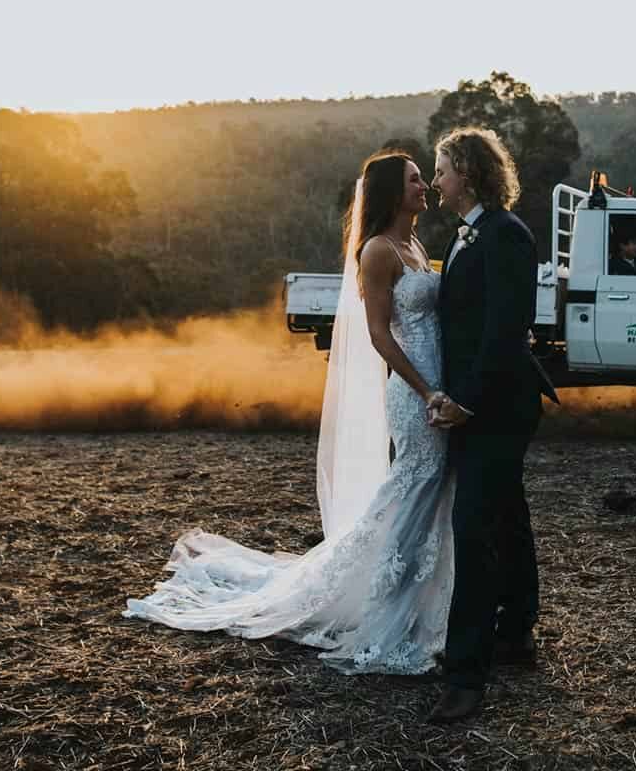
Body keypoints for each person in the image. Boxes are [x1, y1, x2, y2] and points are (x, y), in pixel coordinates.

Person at [123, 150, 455, 674]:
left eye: (425, 178)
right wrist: (425, 390)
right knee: (414, 483)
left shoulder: (415, 244)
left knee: (430, 487)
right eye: (416, 180)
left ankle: (418, 604)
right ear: (394, 191)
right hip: (414, 392)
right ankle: (385, 607)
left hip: (438, 381)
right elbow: (378, 334)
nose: (425, 187)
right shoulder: (377, 251)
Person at [425, 126, 558, 723]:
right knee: (506, 511)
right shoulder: (466, 235)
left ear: (470, 174)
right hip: (480, 401)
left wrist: (466, 402)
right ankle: (517, 631)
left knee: (474, 528)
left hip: (499, 405)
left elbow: (504, 331)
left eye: (443, 169)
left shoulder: (505, 234)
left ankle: (464, 676)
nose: (436, 180)